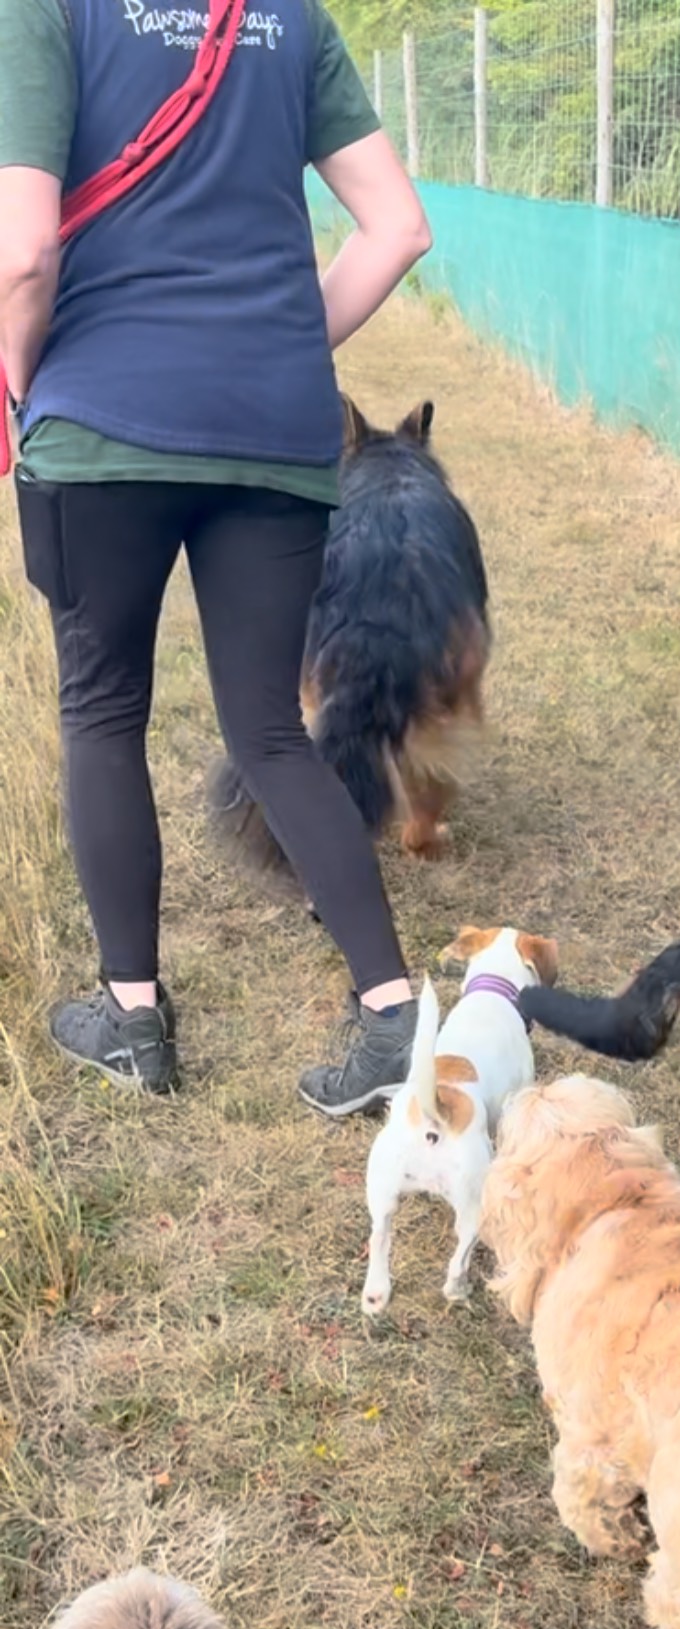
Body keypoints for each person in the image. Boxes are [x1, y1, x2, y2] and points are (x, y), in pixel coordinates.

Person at [0, 0, 432, 1113]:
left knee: (101, 712)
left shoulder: (48, 10)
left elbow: (25, 249)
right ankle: (392, 1015)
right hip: (275, 433)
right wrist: (278, 354)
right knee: (272, 731)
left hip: (104, 425)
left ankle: (133, 1018)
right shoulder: (287, 18)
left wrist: (20, 381)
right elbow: (398, 229)